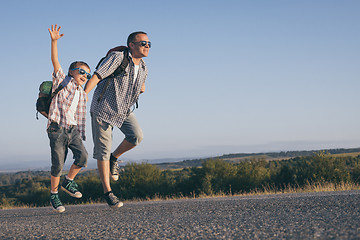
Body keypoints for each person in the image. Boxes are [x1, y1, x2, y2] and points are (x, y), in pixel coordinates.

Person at [84, 31, 150, 208]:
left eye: (149, 43)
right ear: (132, 45)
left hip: (123, 110)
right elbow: (98, 76)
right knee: (102, 151)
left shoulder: (144, 67)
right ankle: (108, 192)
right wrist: (83, 96)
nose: (147, 46)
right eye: (143, 43)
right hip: (103, 109)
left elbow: (142, 87)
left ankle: (115, 158)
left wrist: (138, 88)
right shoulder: (117, 57)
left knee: (136, 136)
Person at [47, 24, 90, 213]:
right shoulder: (63, 81)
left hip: (73, 130)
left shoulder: (82, 92)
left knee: (83, 157)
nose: (85, 76)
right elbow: (55, 60)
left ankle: (68, 181)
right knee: (57, 163)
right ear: (72, 71)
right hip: (57, 128)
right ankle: (54, 194)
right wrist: (54, 42)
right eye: (82, 71)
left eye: (87, 74)